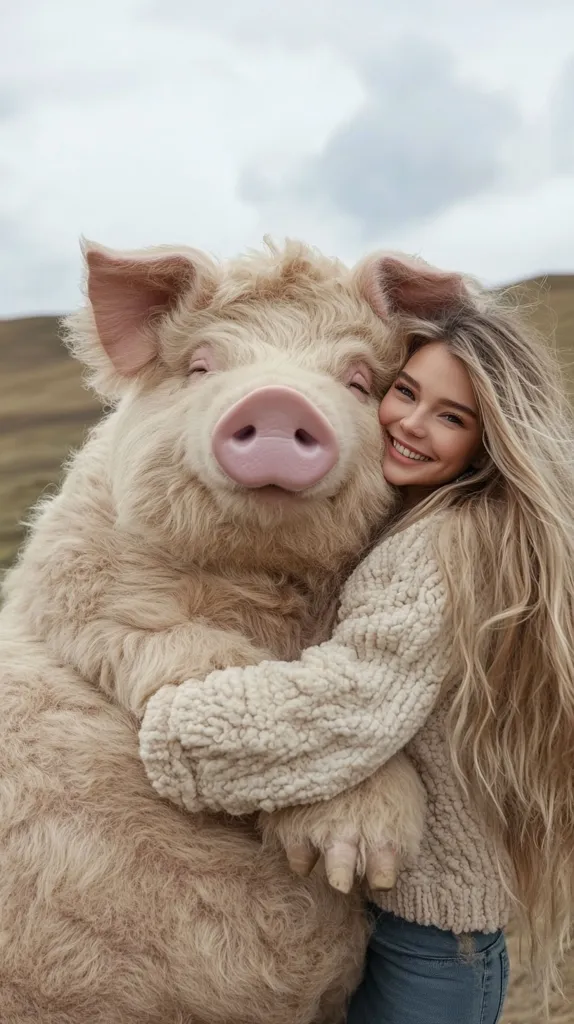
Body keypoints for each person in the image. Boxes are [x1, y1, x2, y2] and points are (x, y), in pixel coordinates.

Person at [139, 272, 574, 1024]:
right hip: (397, 920)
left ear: (487, 439)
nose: (408, 423)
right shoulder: (414, 519)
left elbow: (354, 701)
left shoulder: (442, 547)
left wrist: (179, 730)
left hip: (435, 944)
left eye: (451, 417)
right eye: (403, 391)